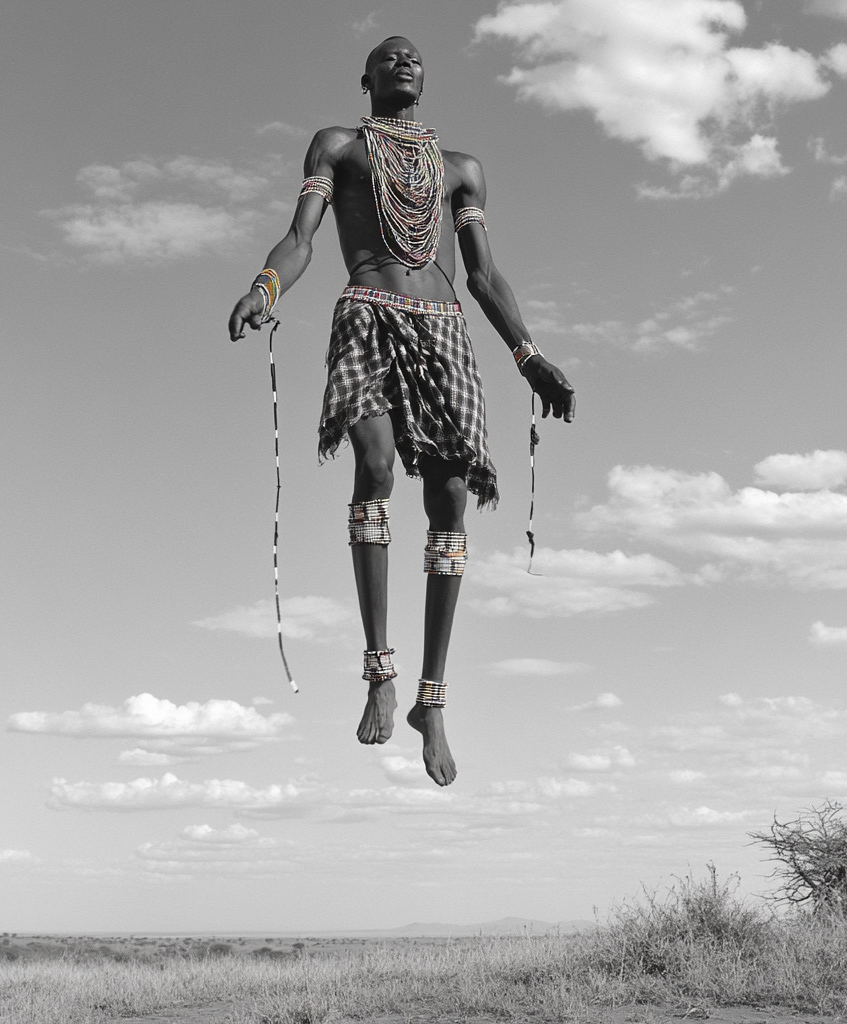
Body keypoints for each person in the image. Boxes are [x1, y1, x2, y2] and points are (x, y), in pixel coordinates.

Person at [229, 36, 575, 786]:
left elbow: (483, 277)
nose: (405, 63)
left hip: (445, 328)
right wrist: (265, 288)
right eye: (388, 58)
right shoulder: (339, 146)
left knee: (451, 495)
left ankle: (432, 701)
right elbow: (300, 239)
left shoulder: (462, 171)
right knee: (376, 467)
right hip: (366, 315)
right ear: (367, 77)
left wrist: (529, 356)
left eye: (415, 57)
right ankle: (379, 669)